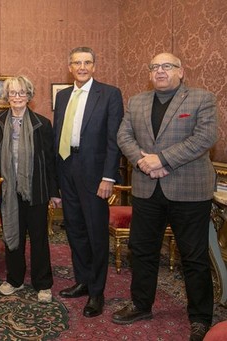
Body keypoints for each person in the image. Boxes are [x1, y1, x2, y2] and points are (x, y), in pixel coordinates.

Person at [114, 52, 217, 341]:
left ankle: (200, 318)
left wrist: (162, 160)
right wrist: (143, 161)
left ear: (181, 72)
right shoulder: (137, 101)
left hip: (189, 191)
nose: (160, 71)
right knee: (142, 249)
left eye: (167, 66)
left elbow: (205, 137)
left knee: (193, 256)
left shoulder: (201, 98)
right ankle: (140, 304)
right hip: (148, 188)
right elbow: (124, 136)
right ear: (150, 74)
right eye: (155, 67)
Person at [53, 46, 124, 317]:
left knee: (95, 232)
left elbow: (113, 139)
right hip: (66, 167)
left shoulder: (109, 94)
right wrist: (55, 180)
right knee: (74, 229)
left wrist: (109, 176)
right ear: (69, 67)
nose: (82, 67)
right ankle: (82, 280)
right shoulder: (62, 96)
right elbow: (58, 135)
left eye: (87, 62)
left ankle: (97, 292)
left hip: (95, 174)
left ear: (94, 66)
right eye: (76, 63)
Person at [0, 76, 60, 303]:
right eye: (13, 93)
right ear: (7, 97)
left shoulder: (42, 124)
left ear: (29, 96)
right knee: (11, 236)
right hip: (6, 189)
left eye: (22, 93)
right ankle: (14, 280)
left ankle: (43, 284)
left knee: (39, 238)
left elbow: (50, 161)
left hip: (34, 190)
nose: (17, 97)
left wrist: (54, 191)